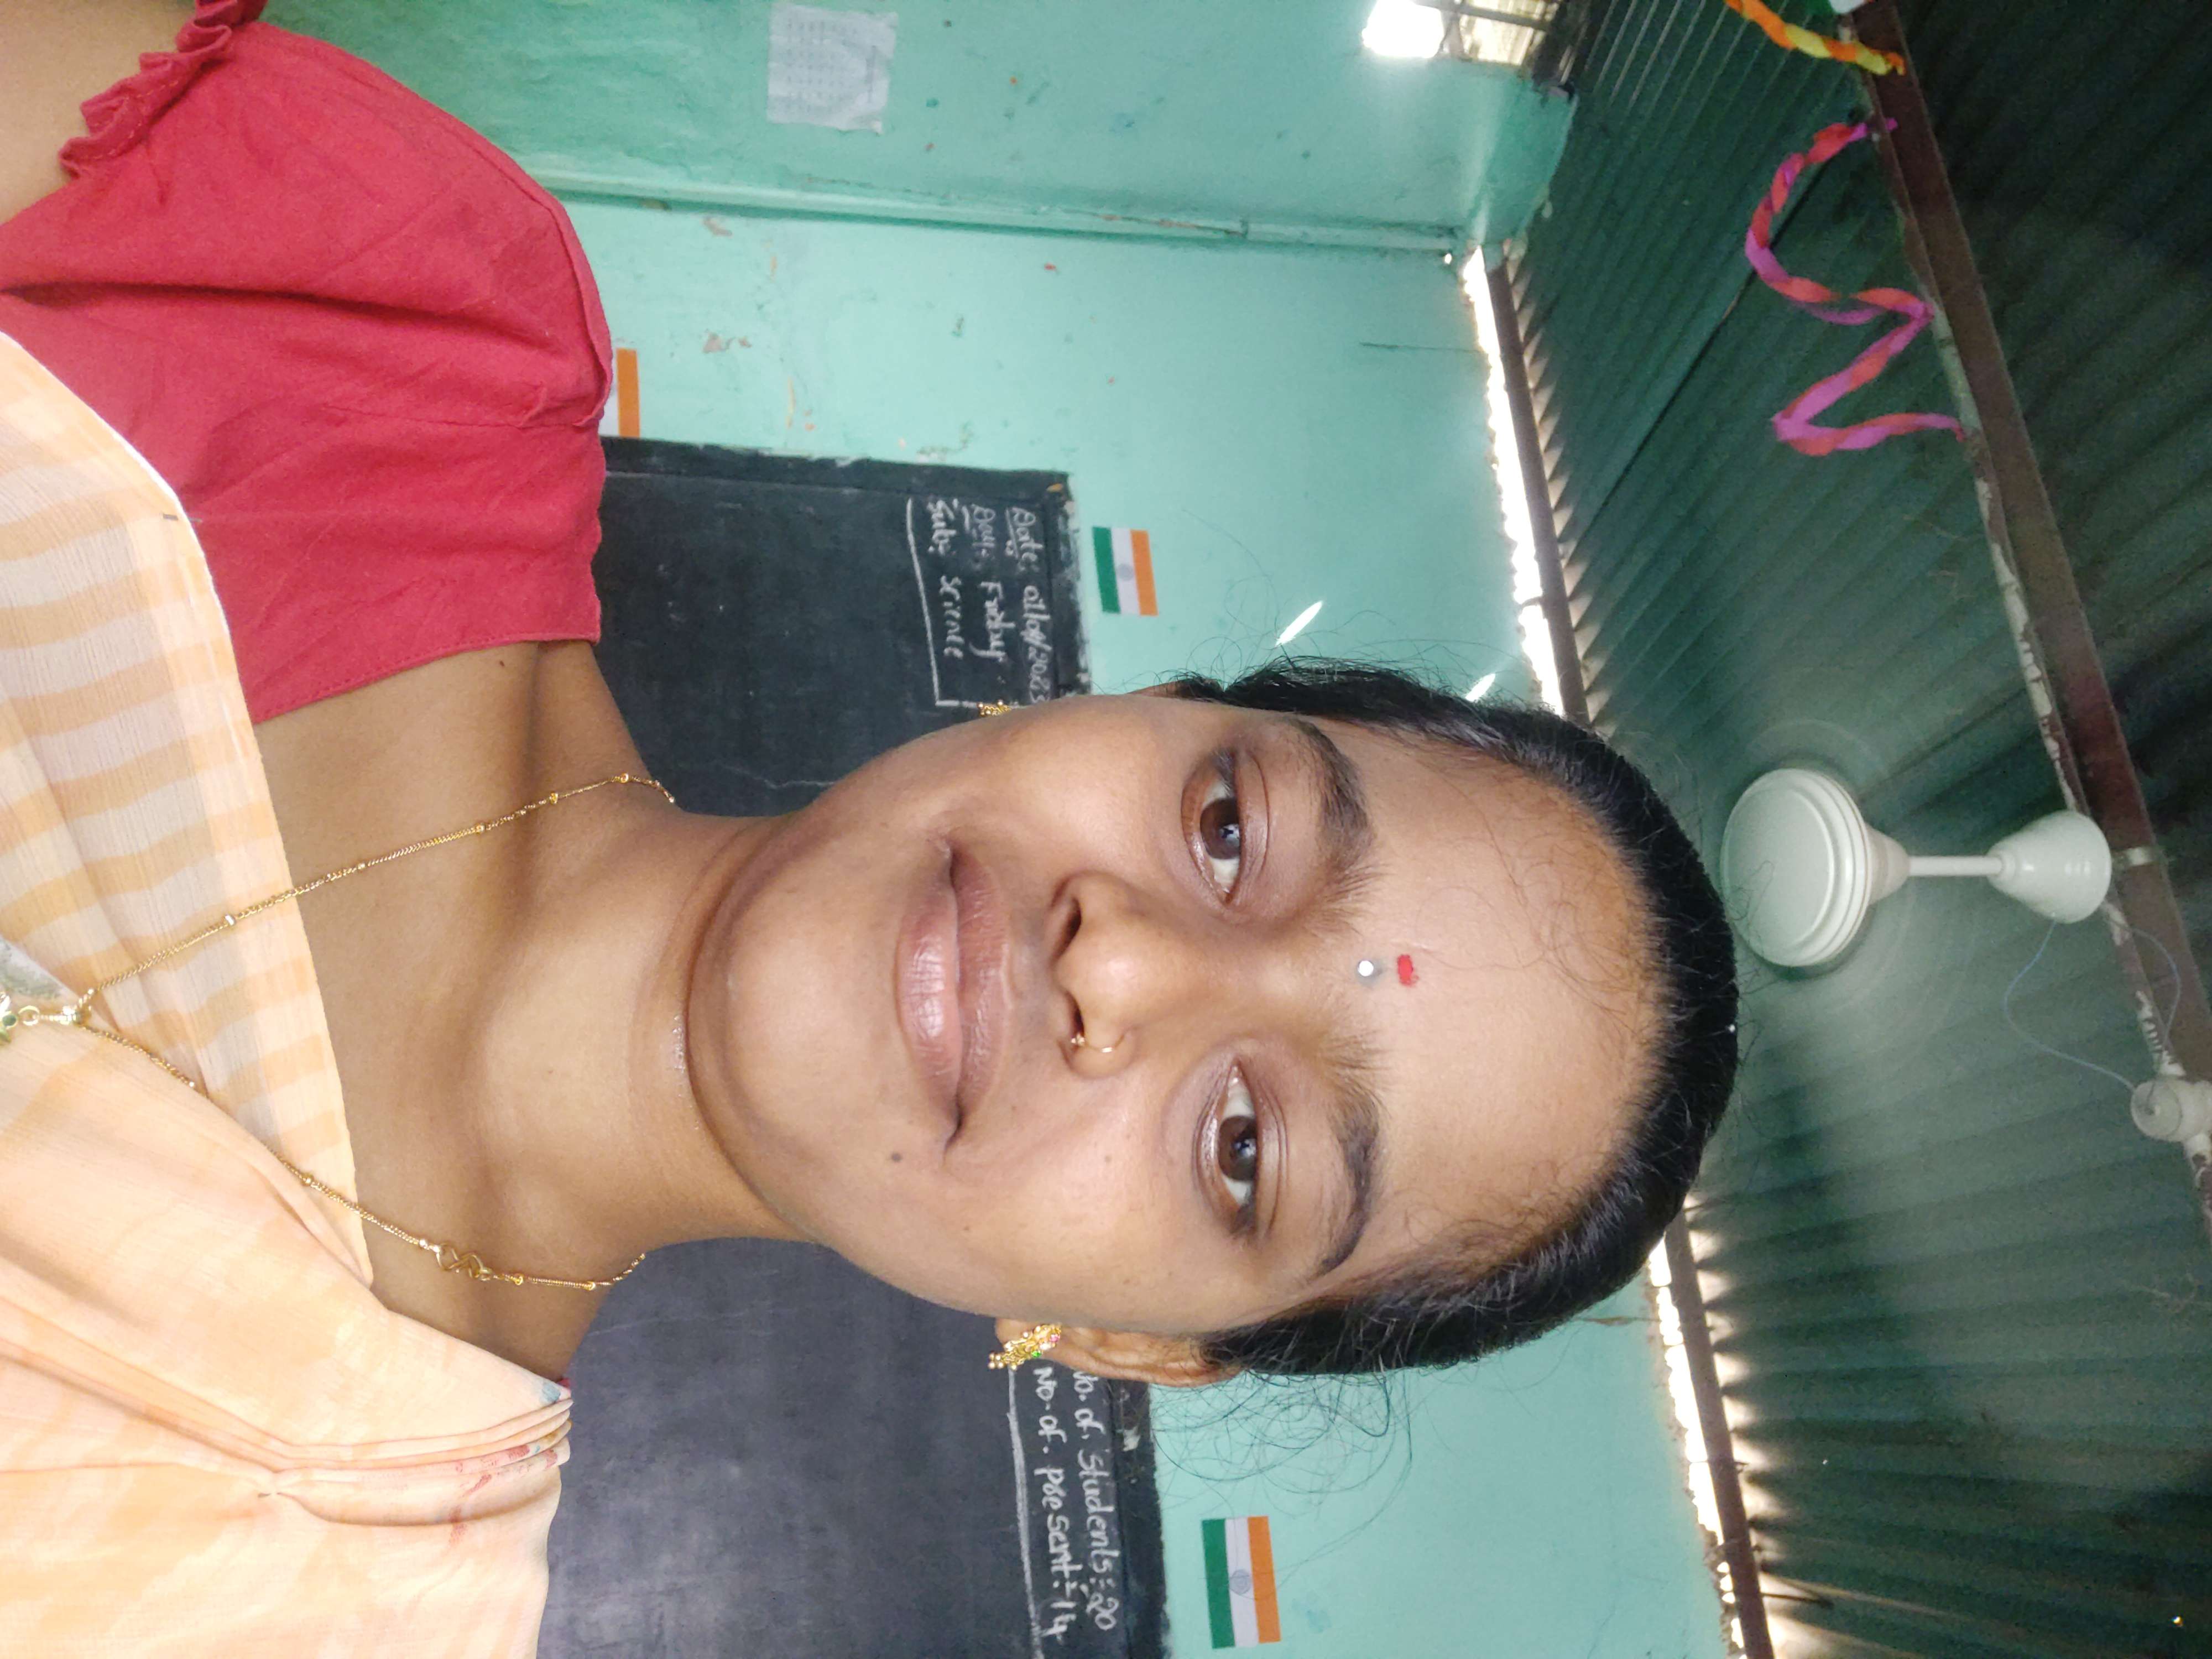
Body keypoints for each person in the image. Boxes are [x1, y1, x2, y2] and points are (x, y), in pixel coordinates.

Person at [0, 1, 1738, 1651]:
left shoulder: (319, 1597)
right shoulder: (406, 318)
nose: (1123, 963)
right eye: (1229, 829)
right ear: (1140, 702)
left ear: (1136, 1343)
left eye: (1242, 1148)